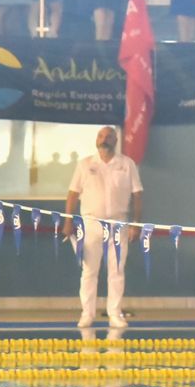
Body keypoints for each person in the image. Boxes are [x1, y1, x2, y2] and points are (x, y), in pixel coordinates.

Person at [62, 125, 143, 329]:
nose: (104, 139)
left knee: (116, 271)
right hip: (91, 224)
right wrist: (68, 221)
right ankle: (87, 314)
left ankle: (115, 314)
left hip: (119, 224)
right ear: (96, 140)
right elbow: (72, 194)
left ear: (116, 140)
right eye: (100, 136)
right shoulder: (85, 164)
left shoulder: (127, 164)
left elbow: (137, 195)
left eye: (108, 136)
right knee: (89, 271)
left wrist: (136, 224)